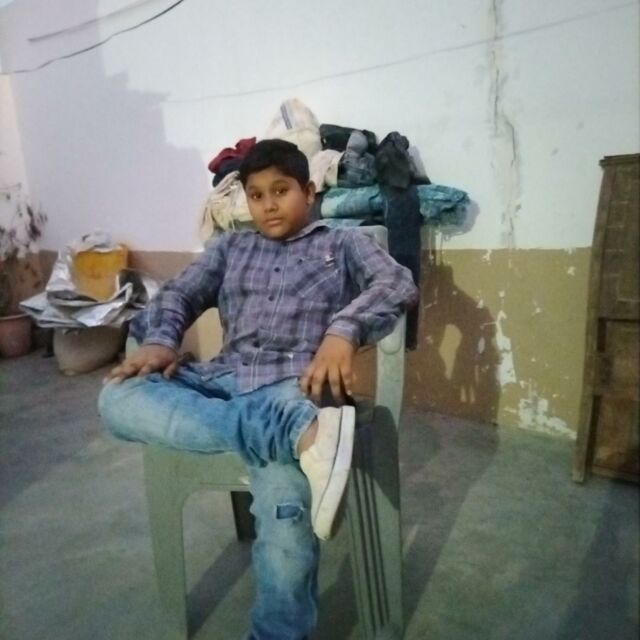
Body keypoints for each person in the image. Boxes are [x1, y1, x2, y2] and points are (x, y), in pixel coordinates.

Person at [98, 138, 418, 640]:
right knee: (116, 397)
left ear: (308, 192)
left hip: (293, 387)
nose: (268, 205)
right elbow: (179, 294)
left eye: (281, 190)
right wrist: (160, 341)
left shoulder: (342, 245)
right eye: (256, 195)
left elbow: (396, 283)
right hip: (226, 382)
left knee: (285, 510)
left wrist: (343, 331)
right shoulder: (230, 248)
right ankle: (299, 435)